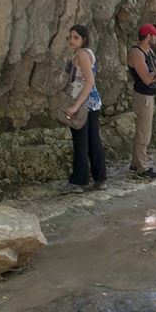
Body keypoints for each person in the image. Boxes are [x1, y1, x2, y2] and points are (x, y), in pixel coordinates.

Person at [61, 25, 107, 194]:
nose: (71, 40)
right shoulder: (87, 53)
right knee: (93, 140)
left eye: (75, 37)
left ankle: (78, 181)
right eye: (70, 37)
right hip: (92, 103)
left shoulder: (81, 55)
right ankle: (100, 178)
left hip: (83, 104)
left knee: (81, 142)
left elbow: (89, 82)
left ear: (84, 39)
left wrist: (75, 105)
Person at [127, 24, 156, 180]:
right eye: (155, 35)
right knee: (143, 133)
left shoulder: (148, 52)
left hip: (149, 94)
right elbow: (146, 78)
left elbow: (155, 73)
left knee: (143, 131)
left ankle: (136, 163)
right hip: (142, 96)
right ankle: (142, 168)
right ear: (148, 37)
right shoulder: (137, 53)